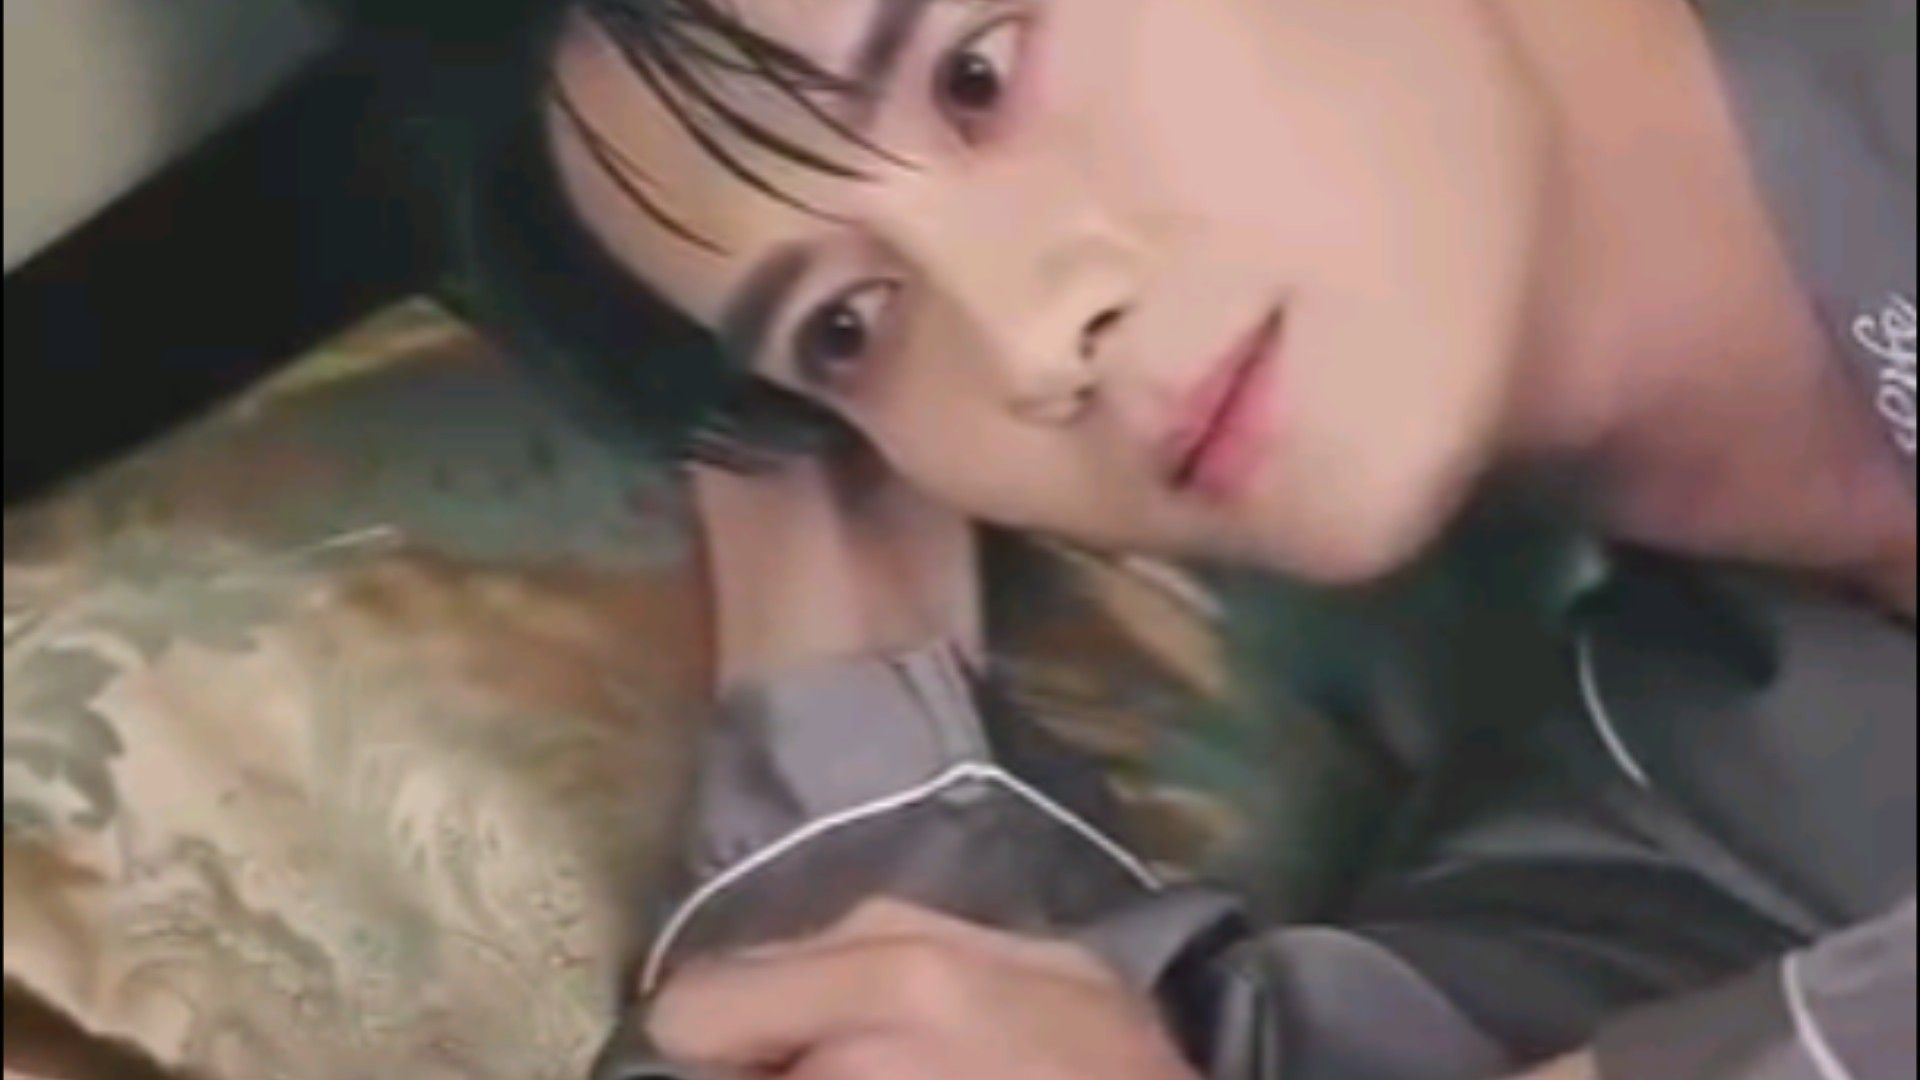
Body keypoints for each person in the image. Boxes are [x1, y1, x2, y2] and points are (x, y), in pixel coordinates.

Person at [335, 0, 1915, 1076]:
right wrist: (845, 640)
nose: (1027, 342)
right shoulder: (1696, 804)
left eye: (978, 72)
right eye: (849, 329)